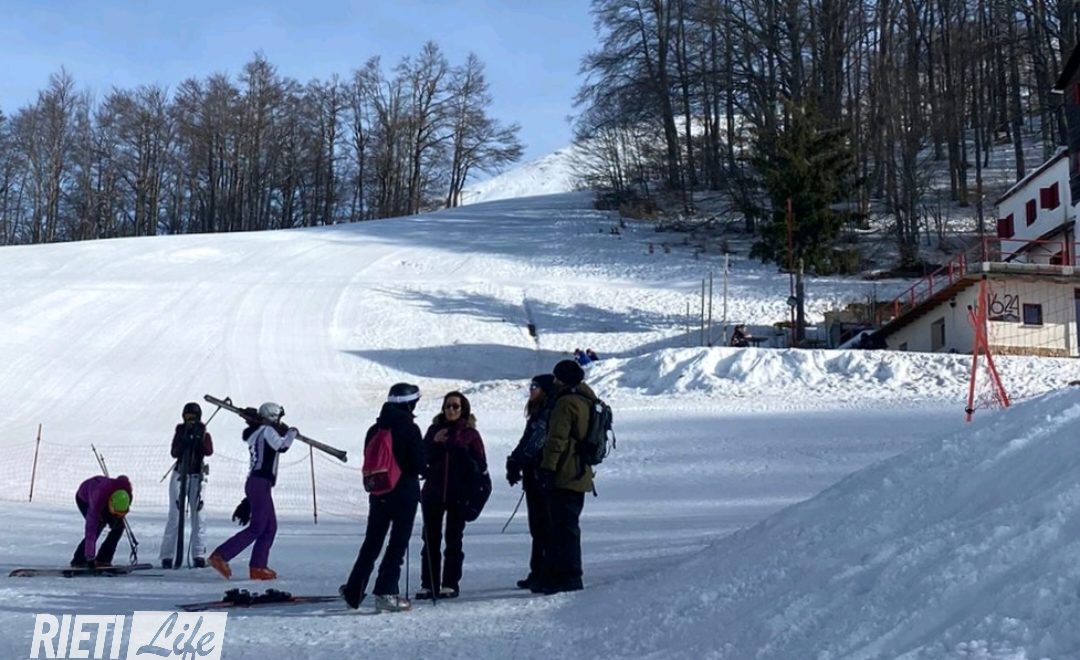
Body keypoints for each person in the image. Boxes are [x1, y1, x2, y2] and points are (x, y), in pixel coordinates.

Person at [341, 383, 425, 612]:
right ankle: (386, 591)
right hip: (404, 492)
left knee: (372, 542)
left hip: (379, 492)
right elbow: (418, 464)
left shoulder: (374, 429)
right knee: (397, 543)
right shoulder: (409, 428)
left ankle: (353, 591)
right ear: (409, 404)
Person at [208, 402, 297, 581]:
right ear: (272, 416)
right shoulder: (267, 430)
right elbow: (282, 446)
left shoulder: (261, 432)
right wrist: (292, 433)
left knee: (270, 527)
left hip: (260, 483)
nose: (280, 421)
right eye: (278, 418)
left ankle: (258, 566)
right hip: (259, 482)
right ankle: (221, 555)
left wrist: (282, 432)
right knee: (258, 526)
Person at [416, 391, 487, 600]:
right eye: (448, 406)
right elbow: (421, 460)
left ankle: (450, 583)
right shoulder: (434, 430)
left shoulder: (470, 434)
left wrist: (458, 449)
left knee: (454, 540)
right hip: (433, 493)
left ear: (463, 409)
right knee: (430, 540)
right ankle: (429, 584)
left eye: (455, 406)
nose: (451, 410)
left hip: (459, 494)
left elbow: (480, 465)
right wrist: (434, 442)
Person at [535, 359, 596, 595]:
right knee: (567, 524)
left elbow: (557, 440)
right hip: (582, 471)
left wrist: (547, 468)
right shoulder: (588, 398)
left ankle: (568, 576)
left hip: (565, 471)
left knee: (562, 526)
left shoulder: (566, 403)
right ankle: (561, 574)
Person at [505, 374, 557, 591]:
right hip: (533, 476)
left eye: (535, 386)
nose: (531, 390)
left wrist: (518, 460)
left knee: (545, 526)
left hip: (543, 477)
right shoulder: (537, 411)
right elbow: (526, 440)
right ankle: (537, 571)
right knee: (537, 527)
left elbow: (536, 441)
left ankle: (545, 572)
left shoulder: (548, 412)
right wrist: (514, 460)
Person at [160, 402, 214, 569]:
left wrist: (199, 438)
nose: (190, 420)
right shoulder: (180, 431)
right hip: (180, 475)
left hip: (197, 477)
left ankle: (198, 554)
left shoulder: (204, 433)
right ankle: (167, 555)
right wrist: (184, 441)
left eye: (193, 417)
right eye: (187, 417)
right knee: (175, 516)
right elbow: (174, 452)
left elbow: (209, 451)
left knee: (199, 517)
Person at [72, 474, 132, 568]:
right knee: (98, 526)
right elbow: (90, 531)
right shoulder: (97, 501)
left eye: (121, 513)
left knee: (119, 527)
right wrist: (89, 556)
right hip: (84, 498)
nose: (117, 516)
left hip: (106, 496)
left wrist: (117, 517)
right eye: (116, 513)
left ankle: (103, 559)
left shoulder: (126, 495)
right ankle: (79, 560)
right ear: (111, 503)